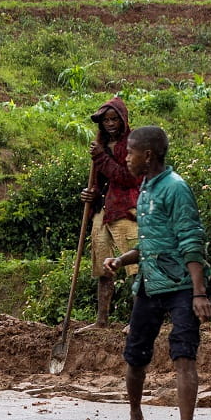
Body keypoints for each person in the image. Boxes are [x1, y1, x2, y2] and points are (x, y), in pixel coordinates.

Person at [101, 126, 211, 420]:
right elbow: (151, 244)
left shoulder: (176, 188)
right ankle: (135, 415)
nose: (126, 157)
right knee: (135, 356)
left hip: (180, 286)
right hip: (149, 283)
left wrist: (199, 293)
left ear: (147, 155)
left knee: (184, 356)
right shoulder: (146, 187)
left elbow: (191, 240)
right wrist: (121, 260)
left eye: (130, 152)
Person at [81, 97, 140, 327]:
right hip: (103, 212)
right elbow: (99, 182)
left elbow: (128, 177)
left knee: (134, 267)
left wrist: (101, 157)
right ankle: (101, 320)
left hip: (127, 210)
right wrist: (90, 193)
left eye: (114, 119)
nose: (110, 124)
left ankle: (137, 322)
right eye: (106, 120)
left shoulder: (133, 144)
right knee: (102, 267)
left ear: (123, 120)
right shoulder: (101, 145)